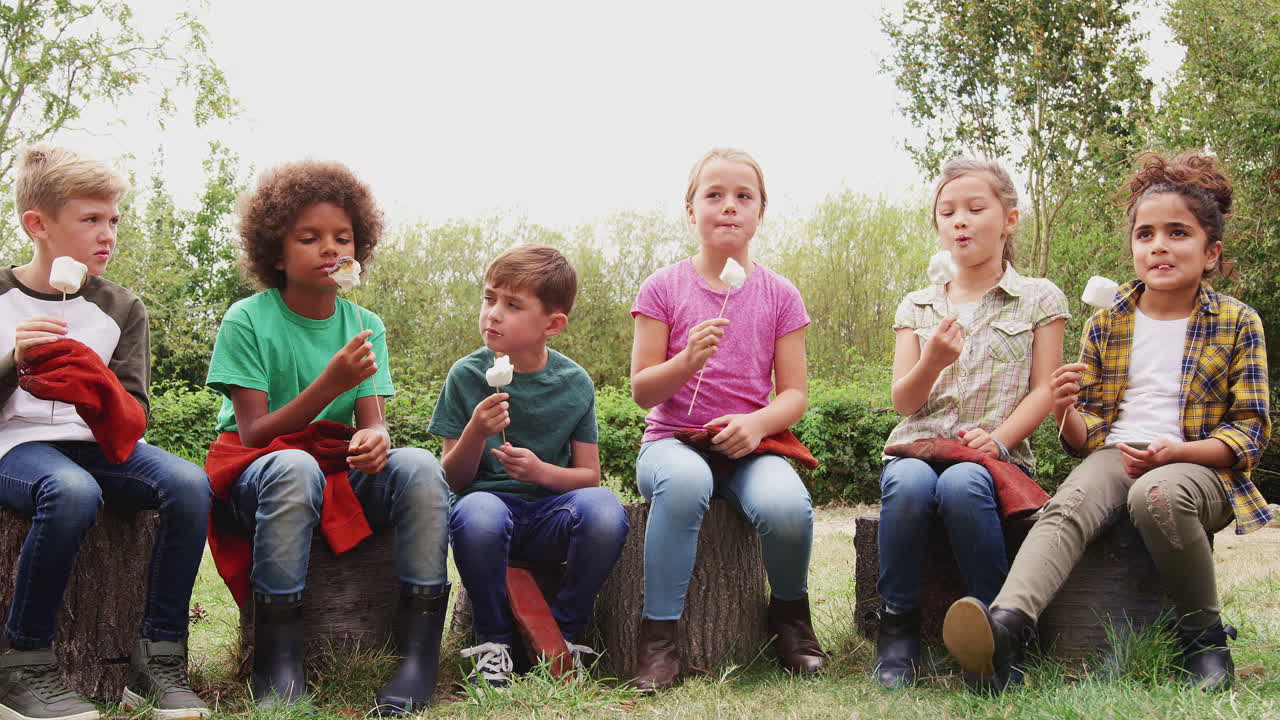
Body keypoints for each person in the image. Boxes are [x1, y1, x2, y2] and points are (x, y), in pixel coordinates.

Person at [943, 151, 1271, 694]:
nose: (1159, 245)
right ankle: (1006, 628)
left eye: (1177, 233)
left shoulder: (1238, 322)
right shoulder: (1108, 322)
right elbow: (1087, 436)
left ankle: (1204, 639)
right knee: (1068, 504)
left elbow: (1250, 433)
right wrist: (1064, 409)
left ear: (1210, 252)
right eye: (1145, 234)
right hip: (1116, 453)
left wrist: (1177, 453)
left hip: (1199, 465)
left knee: (1156, 496)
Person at [204, 160, 450, 713]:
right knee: (294, 468)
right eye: (309, 237)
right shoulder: (247, 319)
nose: (330, 249)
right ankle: (278, 666)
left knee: (419, 465)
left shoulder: (365, 325)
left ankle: (418, 660)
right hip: (260, 474)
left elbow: (373, 420)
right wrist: (330, 383)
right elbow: (254, 433)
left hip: (335, 469)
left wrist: (376, 439)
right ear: (275, 252)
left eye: (343, 238)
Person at [0, 144, 210, 720]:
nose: (107, 234)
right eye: (91, 219)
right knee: (71, 492)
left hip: (98, 445)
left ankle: (158, 659)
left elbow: (134, 414)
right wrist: (11, 361)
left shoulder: (121, 308)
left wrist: (96, 387)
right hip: (15, 446)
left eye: (113, 219)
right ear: (38, 225)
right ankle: (24, 663)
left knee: (190, 485)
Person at [628, 147, 824, 692]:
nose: (729, 206)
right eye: (714, 195)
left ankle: (790, 618)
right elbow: (643, 390)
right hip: (672, 443)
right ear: (690, 210)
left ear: (761, 212)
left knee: (787, 507)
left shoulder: (780, 295)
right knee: (685, 483)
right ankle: (658, 639)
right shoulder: (662, 288)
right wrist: (686, 361)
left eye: (744, 196)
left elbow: (795, 395)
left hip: (749, 447)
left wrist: (757, 425)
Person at [873, 158, 1066, 688]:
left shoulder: (1039, 298)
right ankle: (898, 629)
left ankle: (997, 633)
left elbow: (1045, 389)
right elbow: (903, 401)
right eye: (947, 212)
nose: (960, 220)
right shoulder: (917, 305)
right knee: (907, 484)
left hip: (993, 456)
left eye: (976, 208)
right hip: (919, 445)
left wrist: (999, 439)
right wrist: (932, 360)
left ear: (1009, 220)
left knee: (963, 485)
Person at [430, 244, 628, 688]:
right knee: (479, 513)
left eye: (512, 305)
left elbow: (589, 477)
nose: (493, 314)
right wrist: (476, 432)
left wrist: (540, 472)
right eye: (489, 298)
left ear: (552, 324)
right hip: (485, 510)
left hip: (550, 515)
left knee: (604, 510)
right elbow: (453, 479)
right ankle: (493, 644)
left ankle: (563, 637)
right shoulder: (465, 375)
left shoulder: (574, 383)